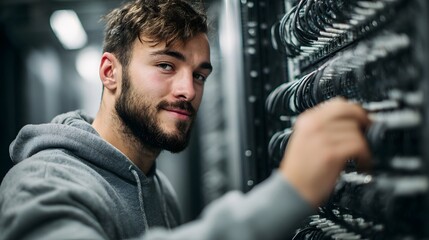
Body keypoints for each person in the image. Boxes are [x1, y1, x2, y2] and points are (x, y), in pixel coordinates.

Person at [0, 0, 371, 239]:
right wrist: (287, 195)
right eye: (166, 65)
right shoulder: (43, 183)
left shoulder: (159, 188)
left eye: (199, 75)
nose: (188, 91)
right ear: (110, 72)